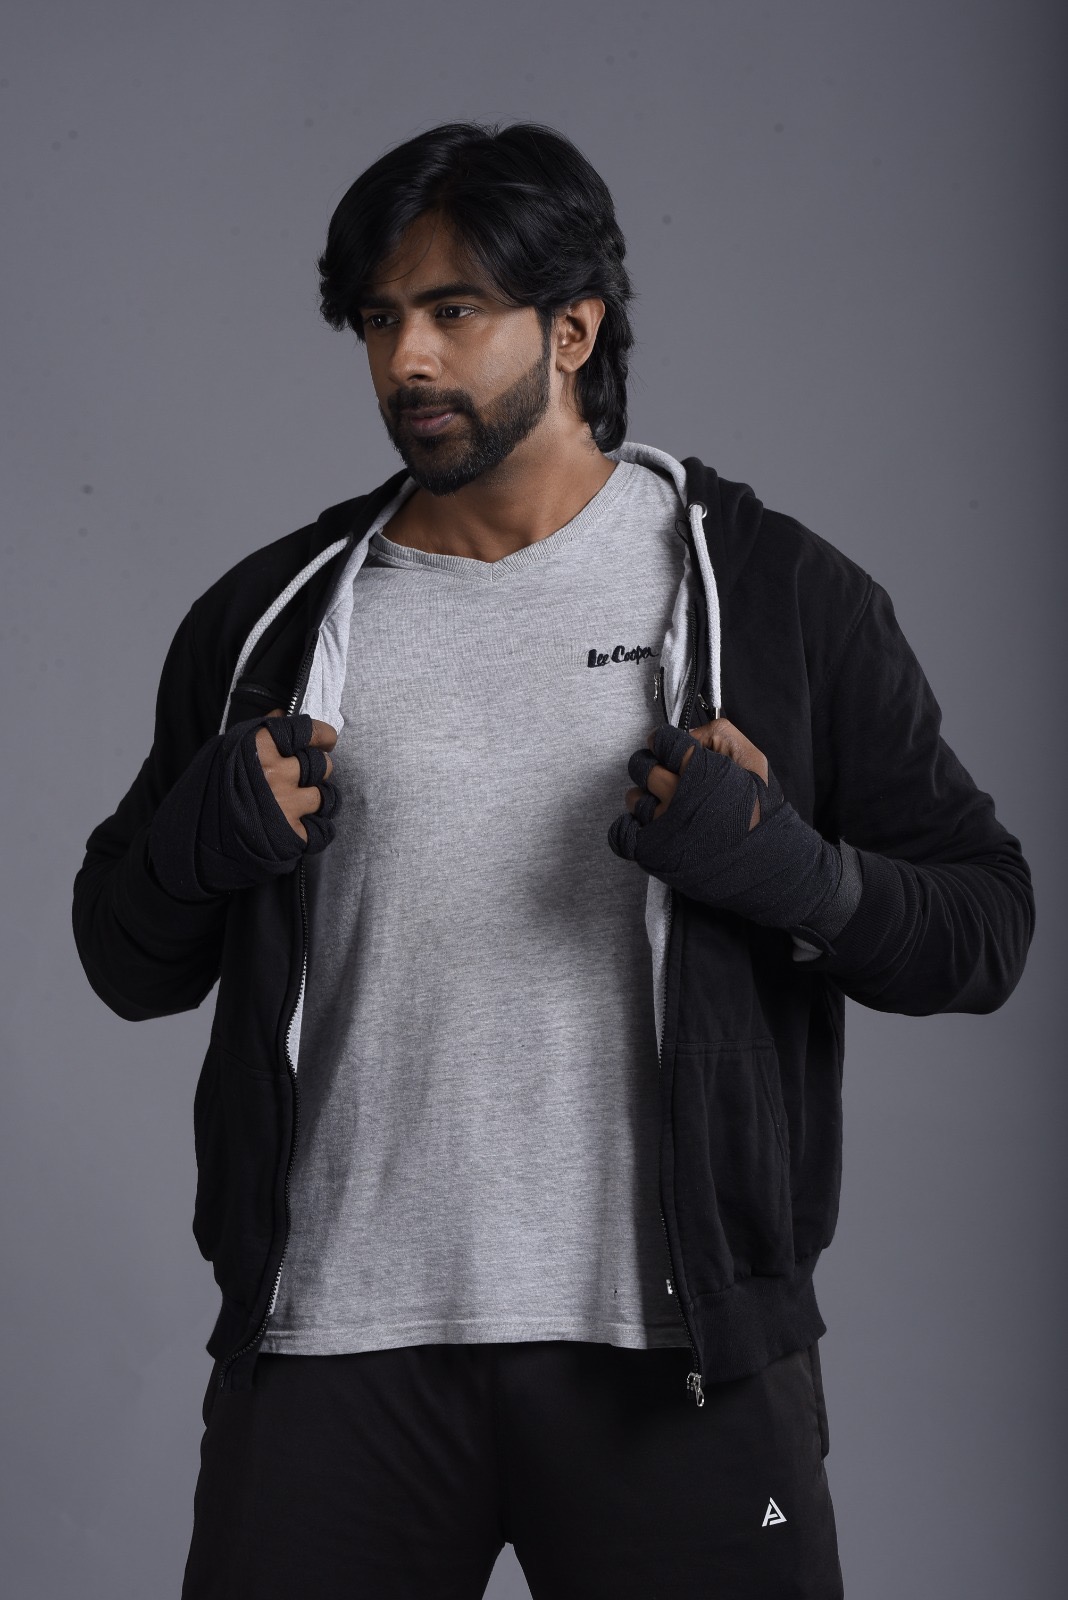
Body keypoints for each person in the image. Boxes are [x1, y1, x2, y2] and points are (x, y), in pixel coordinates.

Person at [71, 120, 1034, 1600]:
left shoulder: (775, 596)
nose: (406, 360)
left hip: (680, 1357)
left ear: (572, 328)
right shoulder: (272, 622)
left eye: (453, 311)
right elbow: (123, 959)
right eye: (380, 319)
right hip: (334, 1346)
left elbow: (985, 925)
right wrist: (197, 844)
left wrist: (800, 877)